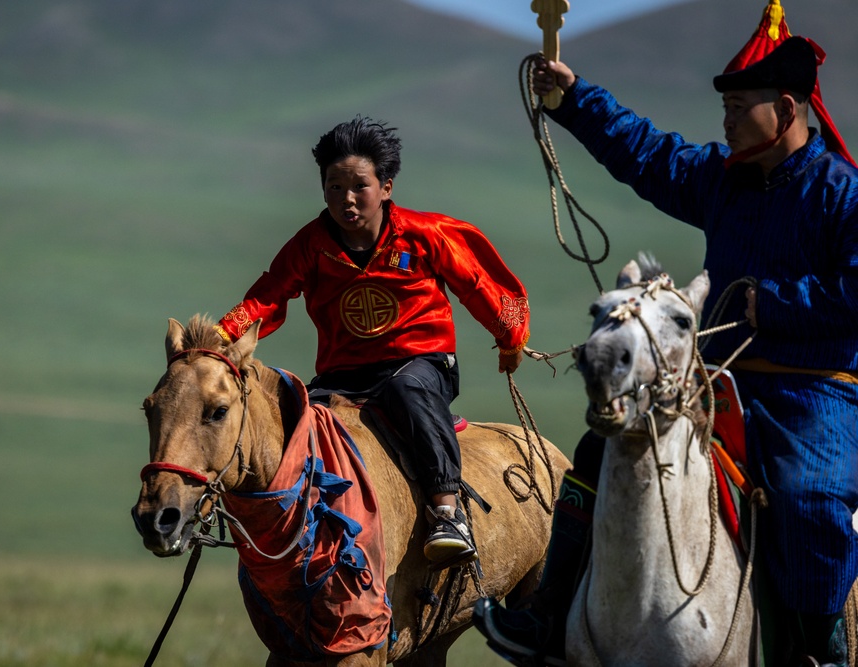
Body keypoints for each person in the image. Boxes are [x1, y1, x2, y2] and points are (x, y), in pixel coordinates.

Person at [473, 20, 858, 667]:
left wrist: (777, 304)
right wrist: (573, 99)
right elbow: (648, 153)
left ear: (786, 109)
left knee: (804, 495)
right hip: (718, 384)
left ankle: (821, 650)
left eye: (739, 108)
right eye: (726, 109)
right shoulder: (721, 179)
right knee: (602, 449)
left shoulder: (842, 192)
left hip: (813, 393)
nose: (728, 122)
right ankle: (546, 614)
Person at [214, 116, 531, 568]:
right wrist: (224, 335)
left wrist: (509, 336)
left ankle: (447, 511)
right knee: (298, 415)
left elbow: (477, 283)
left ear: (386, 186)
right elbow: (269, 295)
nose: (346, 199)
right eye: (333, 187)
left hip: (420, 363)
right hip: (344, 373)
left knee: (409, 391)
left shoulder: (425, 235)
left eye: (359, 186)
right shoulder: (309, 246)